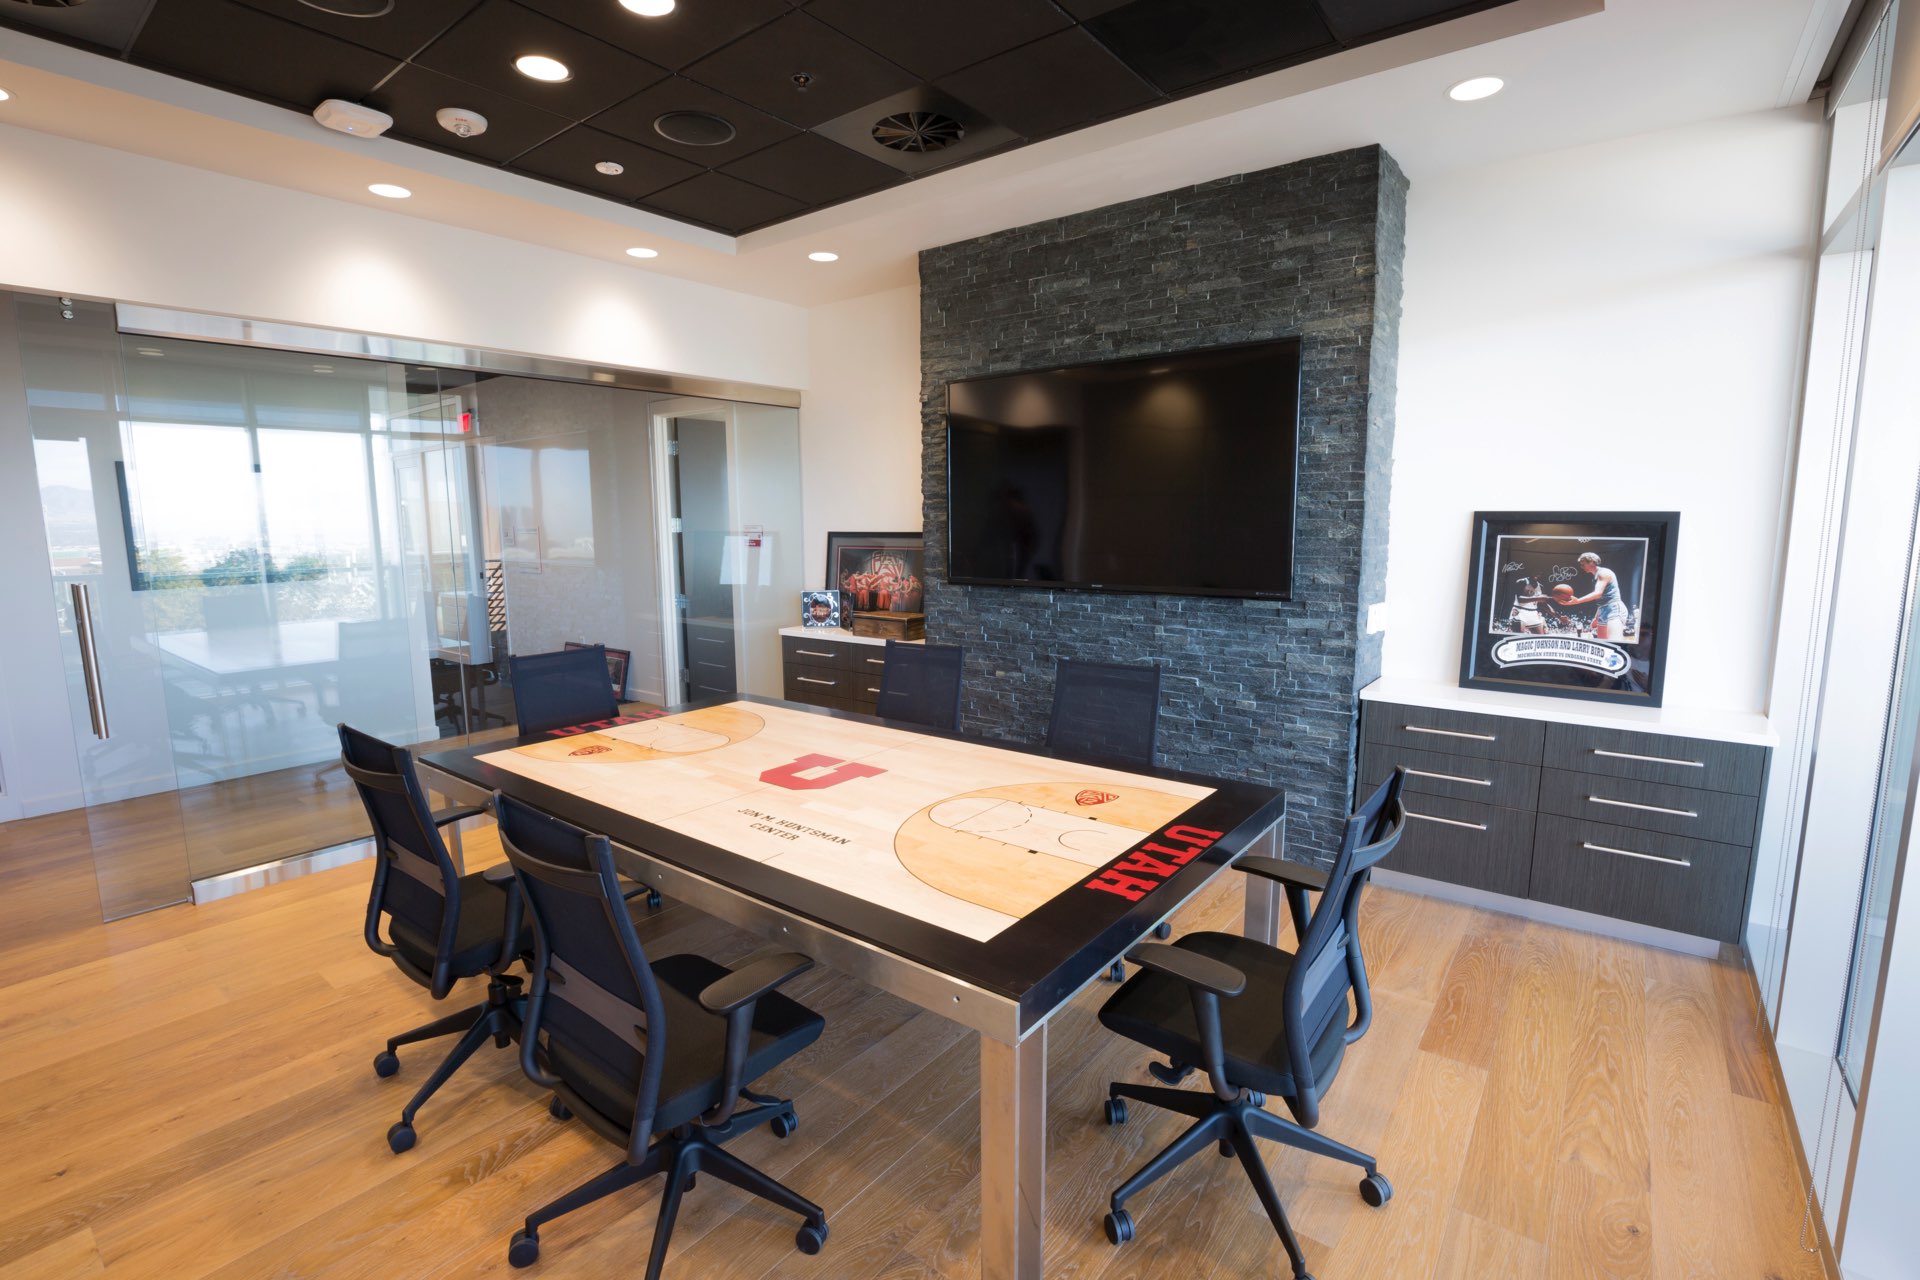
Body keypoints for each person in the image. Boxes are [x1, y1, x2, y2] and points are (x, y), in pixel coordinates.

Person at [1561, 551, 1632, 640]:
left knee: (1614, 641)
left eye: (1583, 564)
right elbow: (1601, 600)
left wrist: (1578, 601)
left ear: (1592, 562)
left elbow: (1598, 594)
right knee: (1602, 642)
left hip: (1614, 608)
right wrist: (1596, 617)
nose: (1581, 567)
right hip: (1603, 609)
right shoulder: (1595, 578)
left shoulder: (1604, 573)